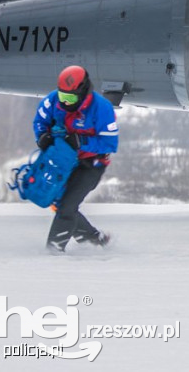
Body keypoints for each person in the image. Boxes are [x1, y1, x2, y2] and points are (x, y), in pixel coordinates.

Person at [32, 65, 119, 253]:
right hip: (64, 161)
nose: (64, 102)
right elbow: (40, 122)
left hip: (91, 164)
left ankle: (53, 250)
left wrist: (82, 141)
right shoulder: (52, 101)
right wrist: (42, 137)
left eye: (69, 98)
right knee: (60, 203)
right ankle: (95, 241)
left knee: (67, 206)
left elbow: (110, 143)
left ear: (82, 91)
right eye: (62, 96)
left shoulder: (101, 108)